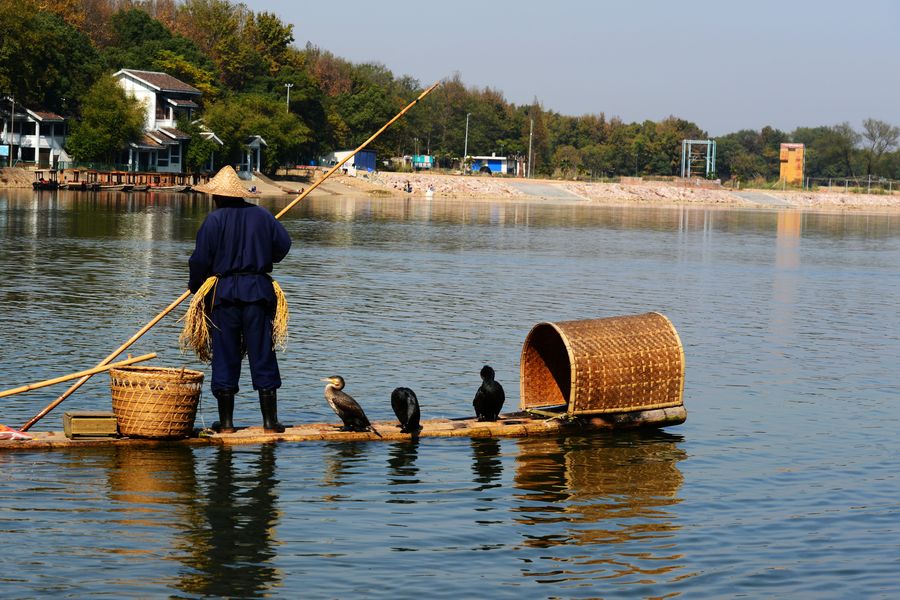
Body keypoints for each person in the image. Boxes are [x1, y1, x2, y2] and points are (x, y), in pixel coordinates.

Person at [188, 166, 292, 433]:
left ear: (217, 197)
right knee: (262, 352)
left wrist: (196, 288)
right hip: (257, 292)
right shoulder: (262, 216)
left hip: (224, 295)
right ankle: (270, 423)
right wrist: (264, 255)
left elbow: (200, 260)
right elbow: (283, 245)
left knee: (225, 353)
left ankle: (226, 425)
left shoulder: (214, 220)